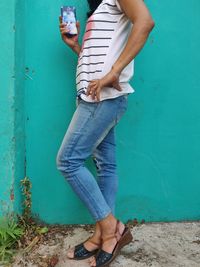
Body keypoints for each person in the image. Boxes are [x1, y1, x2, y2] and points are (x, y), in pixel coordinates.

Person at [57, 0, 154, 266]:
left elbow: (145, 22)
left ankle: (111, 227)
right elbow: (97, 60)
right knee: (105, 166)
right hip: (94, 95)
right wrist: (76, 46)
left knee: (68, 161)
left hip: (104, 98)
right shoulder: (99, 10)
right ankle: (102, 235)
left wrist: (114, 73)